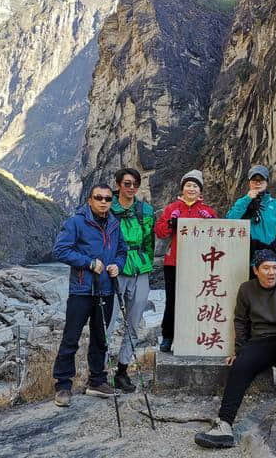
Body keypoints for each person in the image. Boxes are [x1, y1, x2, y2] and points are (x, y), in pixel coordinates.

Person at [194, 249, 276, 449]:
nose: (271, 272)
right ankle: (224, 425)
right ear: (256, 270)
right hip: (260, 342)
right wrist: (238, 351)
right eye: (266, 268)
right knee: (240, 366)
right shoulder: (246, 289)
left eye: (275, 268)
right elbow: (241, 321)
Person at [51, 183, 127, 407]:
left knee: (100, 338)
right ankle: (63, 385)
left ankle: (97, 381)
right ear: (90, 200)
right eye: (99, 198)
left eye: (107, 198)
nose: (104, 202)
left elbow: (122, 251)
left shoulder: (114, 223)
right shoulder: (76, 222)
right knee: (71, 337)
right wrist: (89, 263)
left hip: (106, 288)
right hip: (82, 289)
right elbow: (60, 250)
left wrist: (118, 266)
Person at [154, 170, 217, 352]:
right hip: (174, 262)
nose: (191, 188)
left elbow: (216, 235)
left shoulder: (207, 211)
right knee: (172, 301)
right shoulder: (172, 208)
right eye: (188, 185)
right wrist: (170, 223)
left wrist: (211, 221)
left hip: (199, 263)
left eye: (195, 185)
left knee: (197, 300)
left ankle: (193, 336)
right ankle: (168, 336)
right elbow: (159, 231)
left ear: (200, 190)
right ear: (182, 188)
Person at [107, 168, 155, 393]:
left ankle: (122, 370)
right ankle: (98, 372)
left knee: (134, 322)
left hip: (140, 269)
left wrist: (146, 260)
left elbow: (149, 240)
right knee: (107, 323)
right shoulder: (107, 208)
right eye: (127, 183)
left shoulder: (145, 210)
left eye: (135, 183)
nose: (131, 187)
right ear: (118, 185)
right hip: (115, 271)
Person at [226, 165, 276, 276]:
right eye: (254, 180)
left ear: (267, 182)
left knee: (268, 292)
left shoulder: (275, 205)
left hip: (269, 259)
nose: (258, 182)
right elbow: (229, 221)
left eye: (261, 179)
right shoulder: (242, 202)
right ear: (249, 183)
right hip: (245, 259)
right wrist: (247, 199)